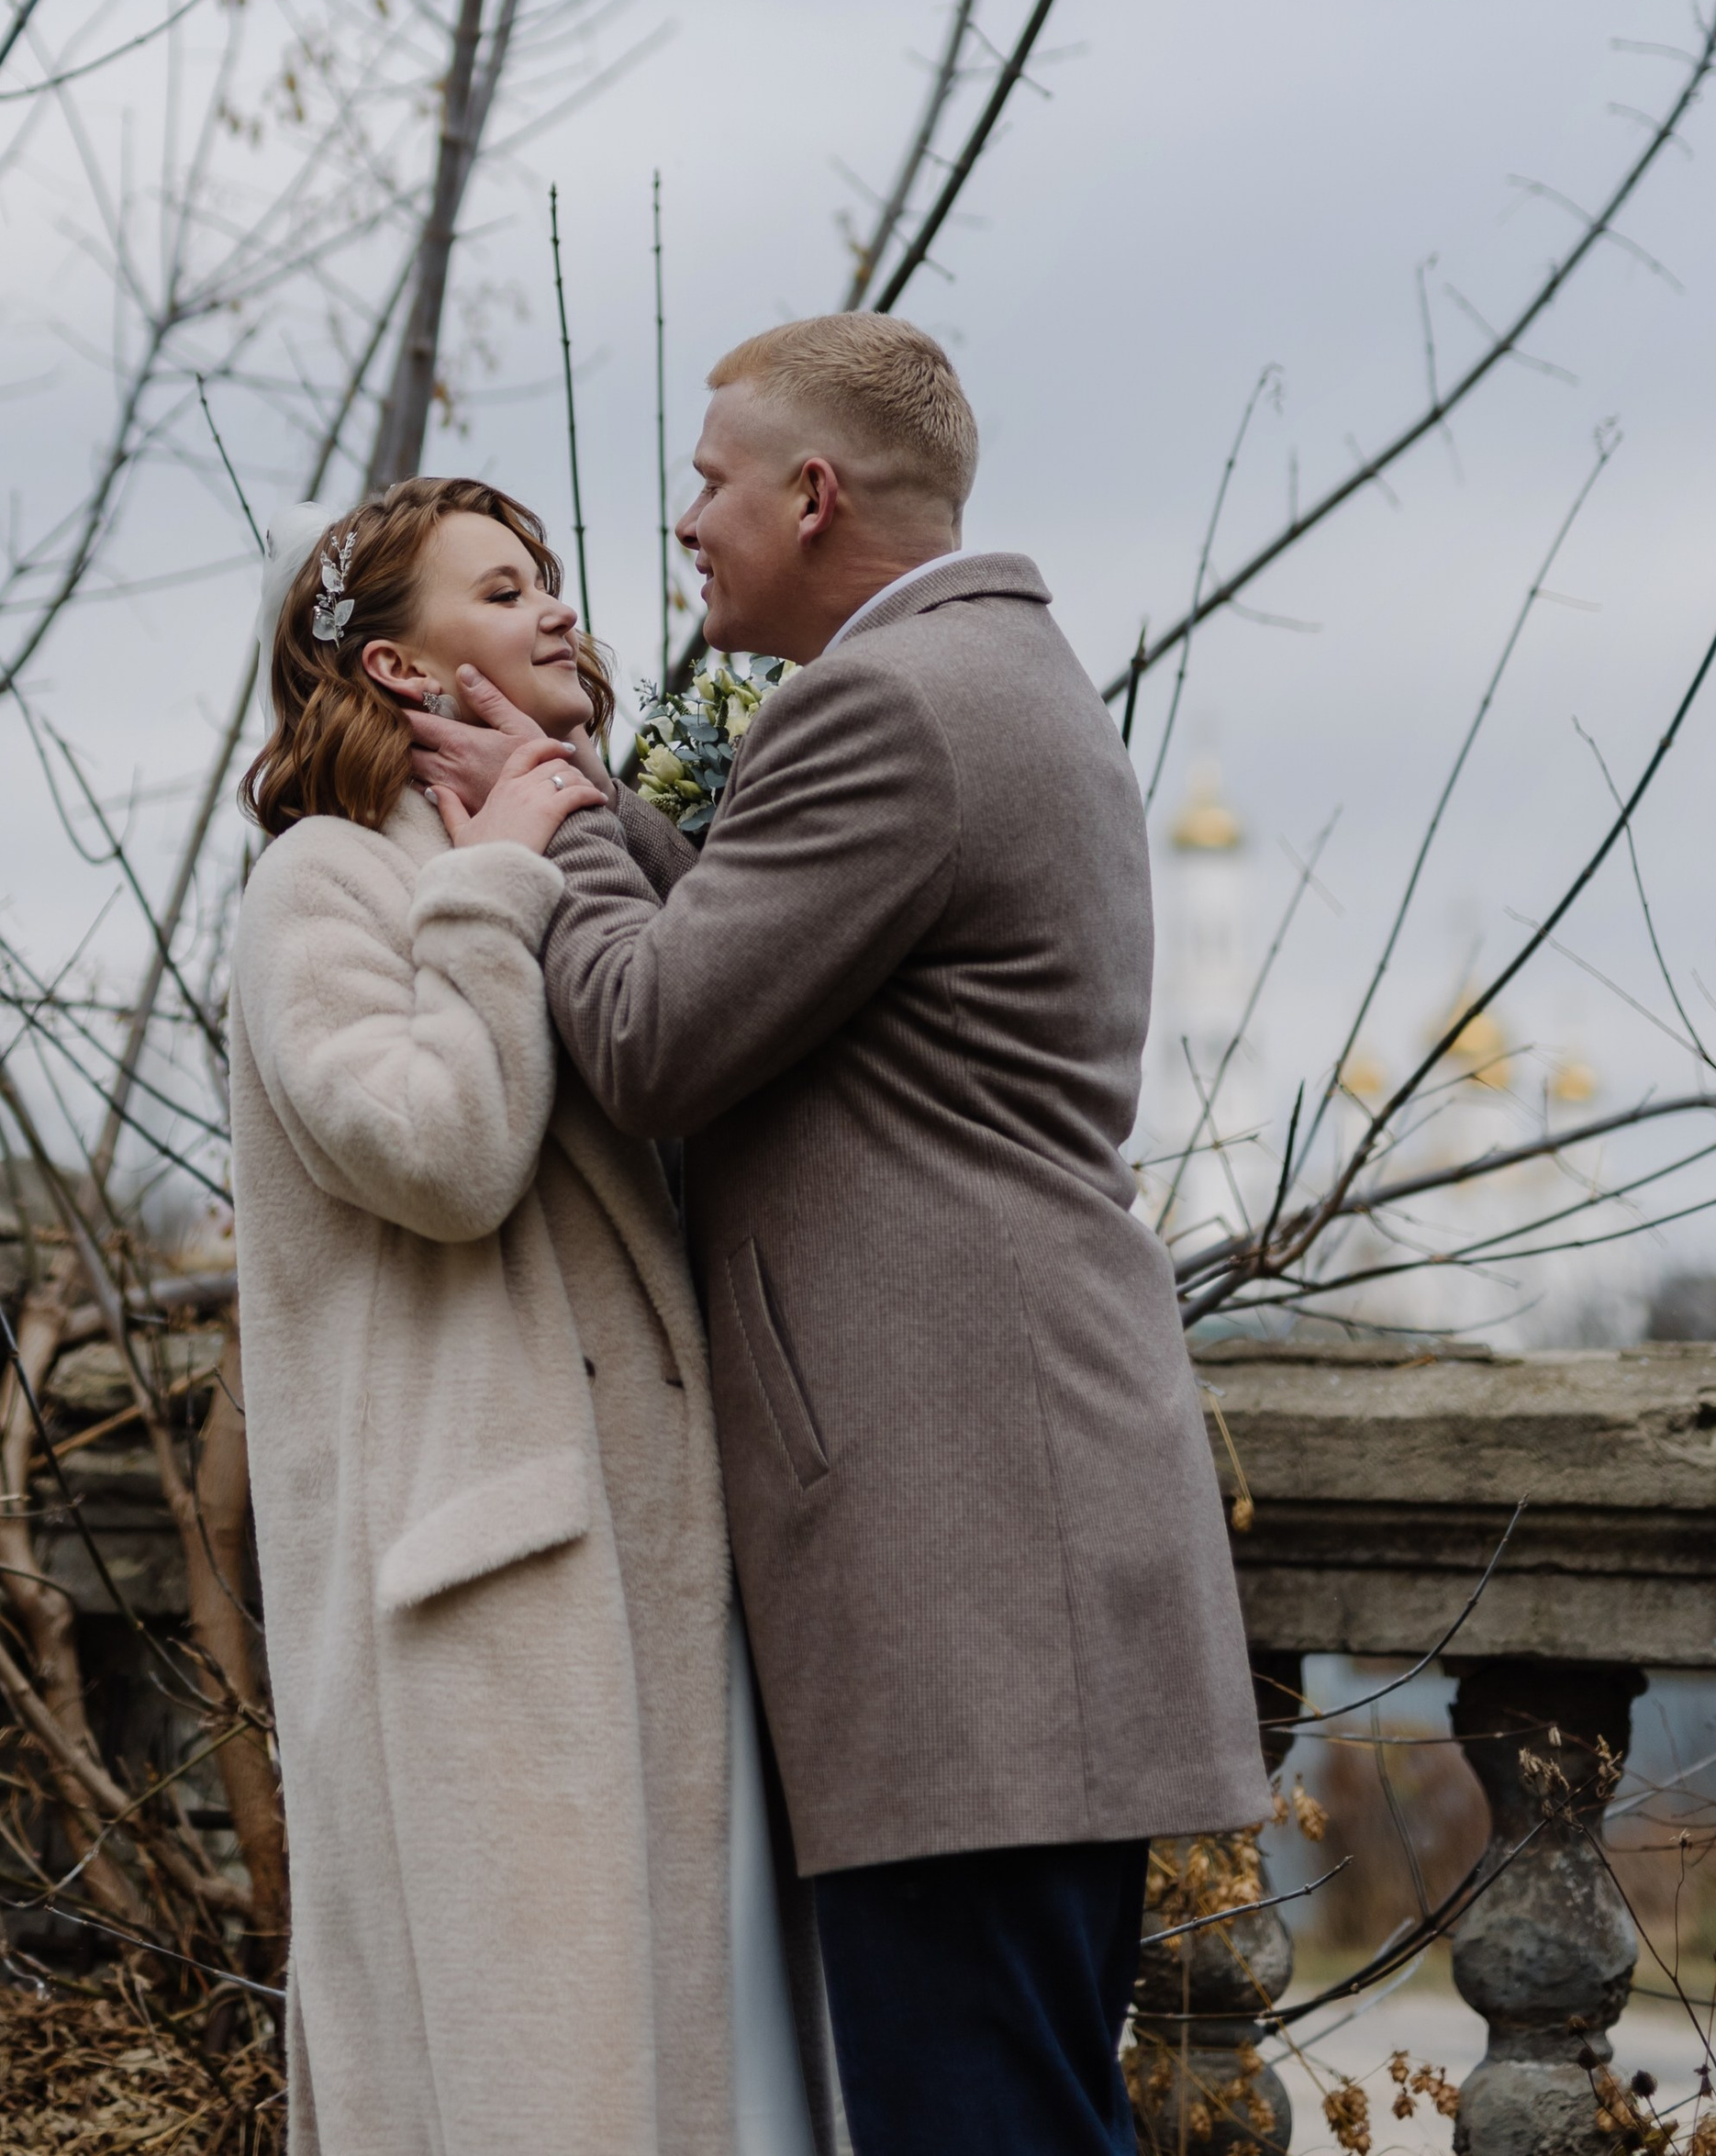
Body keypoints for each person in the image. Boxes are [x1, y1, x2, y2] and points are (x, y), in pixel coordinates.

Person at [416, 318, 1269, 2156]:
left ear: (810, 496)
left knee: (983, 2127)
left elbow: (649, 1041)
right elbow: (749, 956)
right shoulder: (978, 685)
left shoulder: (892, 711)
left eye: (709, 484)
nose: (679, 526)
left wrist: (539, 827)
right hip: (1008, 1560)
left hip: (965, 1574)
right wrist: (587, 808)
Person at [228, 474, 824, 2156]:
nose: (561, 606)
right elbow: (437, 1152)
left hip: (652, 1580)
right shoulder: (324, 887)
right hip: (482, 1604)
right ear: (403, 671)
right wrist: (490, 889)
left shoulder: (580, 863)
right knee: (531, 2094)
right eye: (504, 589)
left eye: (553, 577)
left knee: (705, 2085)